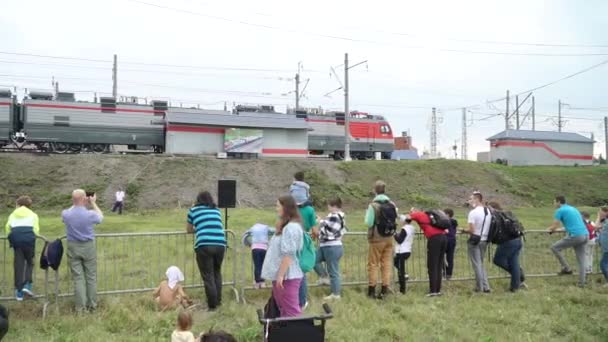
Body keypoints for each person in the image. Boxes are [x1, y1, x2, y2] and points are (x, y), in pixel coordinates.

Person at [261, 195, 304, 318]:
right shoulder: (285, 227)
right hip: (282, 276)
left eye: (278, 206)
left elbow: (289, 254)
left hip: (288, 277)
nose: (276, 209)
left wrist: (281, 275)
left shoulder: (291, 228)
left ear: (286, 208)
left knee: (291, 312)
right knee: (283, 310)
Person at [62, 189, 103, 312]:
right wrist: (93, 203)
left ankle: (80, 308)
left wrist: (76, 202)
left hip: (73, 246)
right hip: (88, 246)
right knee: (91, 277)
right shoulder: (89, 214)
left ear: (72, 199)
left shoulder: (66, 213)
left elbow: (67, 213)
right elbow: (100, 217)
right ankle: (92, 306)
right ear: (84, 199)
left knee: (78, 278)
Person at [187, 191, 226, 311]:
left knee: (208, 276)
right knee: (216, 273)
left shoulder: (193, 210)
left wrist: (199, 230)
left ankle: (212, 305)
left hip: (204, 245)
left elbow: (189, 230)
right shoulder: (216, 210)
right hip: (220, 244)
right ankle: (218, 301)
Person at [365, 180, 397, 299]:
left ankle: (372, 290)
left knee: (373, 264)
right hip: (389, 237)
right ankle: (384, 289)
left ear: (375, 191)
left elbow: (368, 222)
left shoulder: (373, 206)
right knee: (386, 263)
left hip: (377, 238)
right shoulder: (392, 204)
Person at [548, 195, 589, 287]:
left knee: (554, 247)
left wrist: (549, 229)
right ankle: (582, 283)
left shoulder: (559, 210)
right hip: (585, 235)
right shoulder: (573, 209)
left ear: (558, 202)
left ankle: (566, 268)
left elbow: (554, 226)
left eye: (554, 202)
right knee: (581, 260)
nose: (554, 204)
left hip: (576, 235)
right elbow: (574, 224)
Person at [5, 196, 40, 301]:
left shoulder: (12, 214)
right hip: (29, 240)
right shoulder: (33, 215)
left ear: (18, 205)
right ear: (29, 206)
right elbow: (36, 230)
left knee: (18, 265)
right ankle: (27, 286)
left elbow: (8, 228)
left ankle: (19, 293)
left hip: (17, 241)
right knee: (30, 263)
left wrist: (12, 239)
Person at [487, 202, 526, 292]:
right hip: (518, 239)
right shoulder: (508, 213)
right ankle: (515, 286)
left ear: (492, 207)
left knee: (498, 260)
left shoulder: (497, 216)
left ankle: (519, 274)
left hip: (507, 242)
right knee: (514, 263)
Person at [409, 209, 448, 297]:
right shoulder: (430, 216)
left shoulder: (418, 214)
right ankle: (438, 290)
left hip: (434, 239)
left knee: (432, 266)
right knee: (438, 265)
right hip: (443, 238)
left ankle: (433, 291)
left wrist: (411, 213)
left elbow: (407, 218)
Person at [313, 197, 346, 301]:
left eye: (329, 205)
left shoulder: (336, 216)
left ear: (335, 206)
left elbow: (330, 231)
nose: (328, 207)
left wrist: (320, 222)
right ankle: (324, 277)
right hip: (326, 246)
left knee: (333, 271)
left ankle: (336, 294)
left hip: (332, 246)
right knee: (313, 259)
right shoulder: (333, 216)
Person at [462, 191, 491, 293]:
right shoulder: (488, 211)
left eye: (471, 199)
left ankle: (480, 288)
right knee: (481, 263)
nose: (469, 201)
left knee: (477, 264)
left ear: (477, 199)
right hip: (484, 239)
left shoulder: (473, 213)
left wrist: (462, 230)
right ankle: (486, 286)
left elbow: (472, 230)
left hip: (475, 240)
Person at [296, 192, 317, 310]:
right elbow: (315, 230)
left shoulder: (290, 209)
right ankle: (302, 301)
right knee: (301, 271)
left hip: (290, 238)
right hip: (303, 241)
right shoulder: (310, 210)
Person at [242, 223, 275, 289]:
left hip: (255, 248)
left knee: (257, 265)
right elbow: (273, 231)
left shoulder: (253, 228)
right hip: (264, 248)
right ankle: (262, 282)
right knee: (263, 265)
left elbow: (245, 234)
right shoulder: (266, 227)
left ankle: (257, 282)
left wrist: (248, 244)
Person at [393, 215, 415, 294]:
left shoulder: (404, 229)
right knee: (395, 262)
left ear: (404, 221)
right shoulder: (412, 228)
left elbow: (399, 240)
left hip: (402, 251)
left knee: (400, 272)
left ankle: (402, 290)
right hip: (407, 250)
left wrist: (394, 233)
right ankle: (405, 275)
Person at [444, 208, 458, 280]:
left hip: (445, 240)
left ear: (447, 214)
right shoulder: (454, 221)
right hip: (452, 241)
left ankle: (445, 271)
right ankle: (449, 274)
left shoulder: (445, 221)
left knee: (440, 257)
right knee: (450, 258)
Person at [595, 207, 608, 285]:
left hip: (607, 247)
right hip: (605, 247)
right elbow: (597, 228)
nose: (599, 213)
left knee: (603, 264)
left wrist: (599, 217)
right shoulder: (606, 222)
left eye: (600, 212)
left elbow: (595, 227)